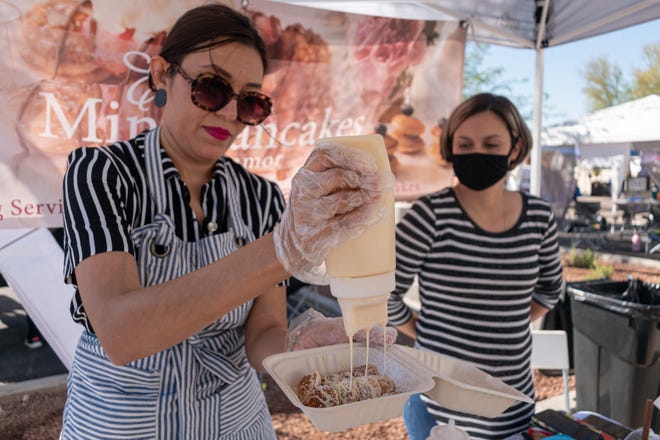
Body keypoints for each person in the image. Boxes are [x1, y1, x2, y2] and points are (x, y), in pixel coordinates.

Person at [59, 4, 390, 439]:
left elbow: (264, 331)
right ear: (162, 74)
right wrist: (279, 249)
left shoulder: (260, 196)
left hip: (234, 423)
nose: (231, 114)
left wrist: (295, 348)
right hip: (121, 425)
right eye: (212, 88)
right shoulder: (101, 173)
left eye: (250, 101)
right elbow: (122, 334)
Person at [388, 93, 564, 440]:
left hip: (511, 405)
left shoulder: (539, 217)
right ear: (451, 148)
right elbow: (384, 293)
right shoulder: (430, 215)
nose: (477, 152)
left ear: (514, 149)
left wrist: (504, 324)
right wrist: (425, 331)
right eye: (465, 144)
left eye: (491, 143)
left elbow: (550, 289)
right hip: (438, 409)